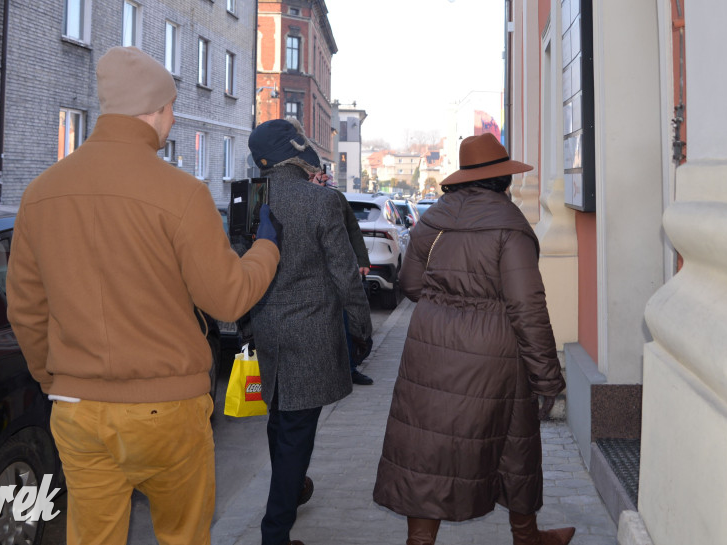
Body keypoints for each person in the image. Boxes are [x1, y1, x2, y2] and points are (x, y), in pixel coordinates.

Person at [6, 46, 281, 545]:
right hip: (168, 408)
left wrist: (57, 379)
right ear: (152, 110)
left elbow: (26, 309)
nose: (173, 119)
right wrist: (267, 247)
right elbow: (228, 299)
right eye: (171, 107)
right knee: (181, 535)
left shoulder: (40, 192)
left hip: (77, 407)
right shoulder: (182, 193)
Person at [373, 133, 575, 545]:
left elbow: (411, 284)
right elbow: (527, 307)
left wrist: (445, 307)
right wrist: (548, 379)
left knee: (425, 447)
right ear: (503, 180)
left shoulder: (433, 219)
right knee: (516, 443)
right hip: (495, 356)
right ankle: (527, 536)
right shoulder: (510, 226)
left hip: (428, 350)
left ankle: (421, 540)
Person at [241, 118, 373, 545]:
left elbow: (240, 270)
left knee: (280, 420)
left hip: (268, 331)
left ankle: (291, 489)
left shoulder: (251, 199)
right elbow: (345, 276)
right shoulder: (321, 202)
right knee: (297, 431)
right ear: (297, 154)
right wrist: (361, 328)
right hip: (312, 334)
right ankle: (275, 532)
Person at [309, 167, 374, 385]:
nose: (323, 177)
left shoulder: (335, 197)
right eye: (316, 174)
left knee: (345, 321)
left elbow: (352, 228)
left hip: (336, 272)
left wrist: (362, 260)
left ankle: (349, 368)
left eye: (322, 173)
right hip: (310, 275)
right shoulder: (300, 197)